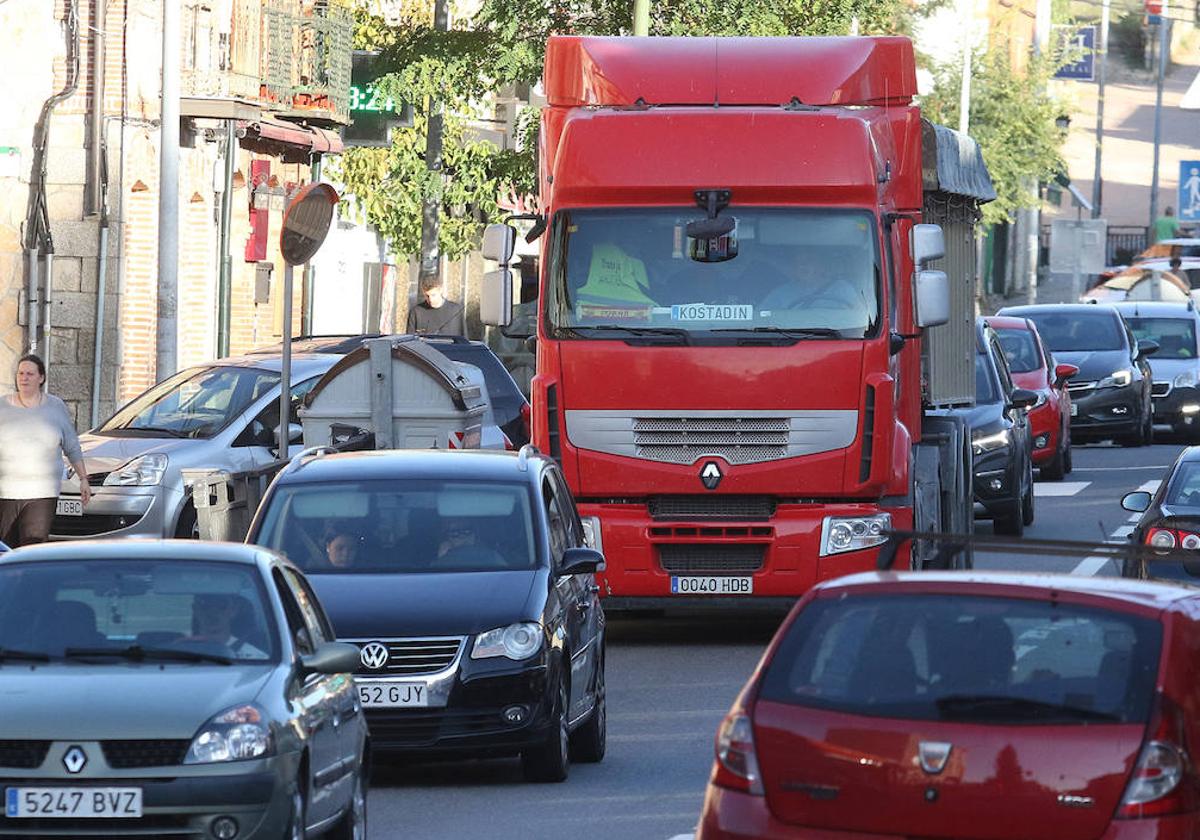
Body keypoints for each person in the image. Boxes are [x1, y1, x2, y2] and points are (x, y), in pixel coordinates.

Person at [0, 354, 90, 547]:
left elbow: (72, 445)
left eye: (30, 374)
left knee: (33, 547)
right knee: (6, 550)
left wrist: (83, 479)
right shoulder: (2, 406)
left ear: (41, 378)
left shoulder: (55, 406)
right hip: (5, 492)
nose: (24, 378)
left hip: (42, 491)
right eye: (21, 373)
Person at [187, 593, 268, 659]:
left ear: (233, 610)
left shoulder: (256, 658)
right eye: (204, 605)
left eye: (222, 605)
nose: (212, 612)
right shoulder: (178, 655)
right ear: (195, 610)